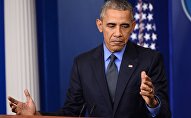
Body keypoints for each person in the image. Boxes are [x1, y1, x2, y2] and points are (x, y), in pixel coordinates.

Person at [8, 0, 171, 118]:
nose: (118, 33)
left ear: (133, 27)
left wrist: (152, 102)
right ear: (100, 25)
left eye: (125, 26)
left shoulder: (151, 60)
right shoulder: (82, 63)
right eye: (111, 25)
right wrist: (36, 115)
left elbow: (165, 114)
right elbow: (71, 113)